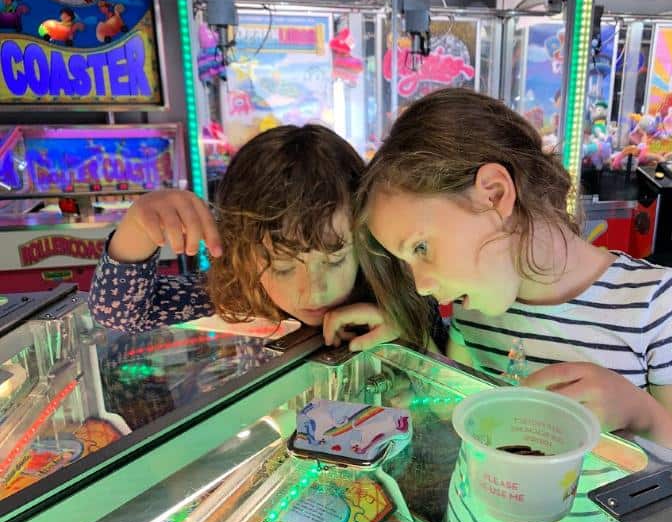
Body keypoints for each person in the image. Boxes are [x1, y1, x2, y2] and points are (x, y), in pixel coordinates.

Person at [354, 87, 672, 476]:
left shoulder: (660, 306)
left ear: (493, 195)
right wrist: (411, 353)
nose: (421, 285)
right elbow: (467, 410)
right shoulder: (474, 311)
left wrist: (641, 414)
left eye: (421, 247)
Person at [89, 124, 433, 352]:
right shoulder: (235, 295)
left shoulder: (406, 285)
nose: (315, 290)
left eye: (335, 259)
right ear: (243, 252)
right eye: (282, 266)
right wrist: (136, 225)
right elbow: (119, 316)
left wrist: (405, 331)